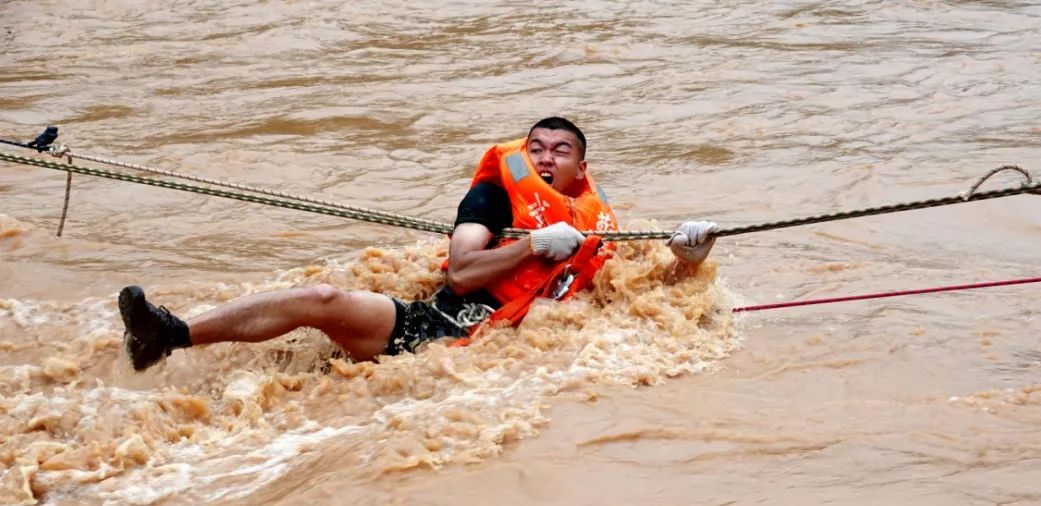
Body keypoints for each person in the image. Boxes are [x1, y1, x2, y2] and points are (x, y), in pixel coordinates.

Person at [118, 117, 720, 371]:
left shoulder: (596, 221)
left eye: (559, 151)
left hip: (515, 358)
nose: (544, 157)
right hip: (435, 329)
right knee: (321, 298)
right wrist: (534, 245)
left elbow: (632, 297)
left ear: (581, 168)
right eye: (535, 147)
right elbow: (461, 273)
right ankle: (170, 335)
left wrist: (687, 262)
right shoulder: (492, 199)